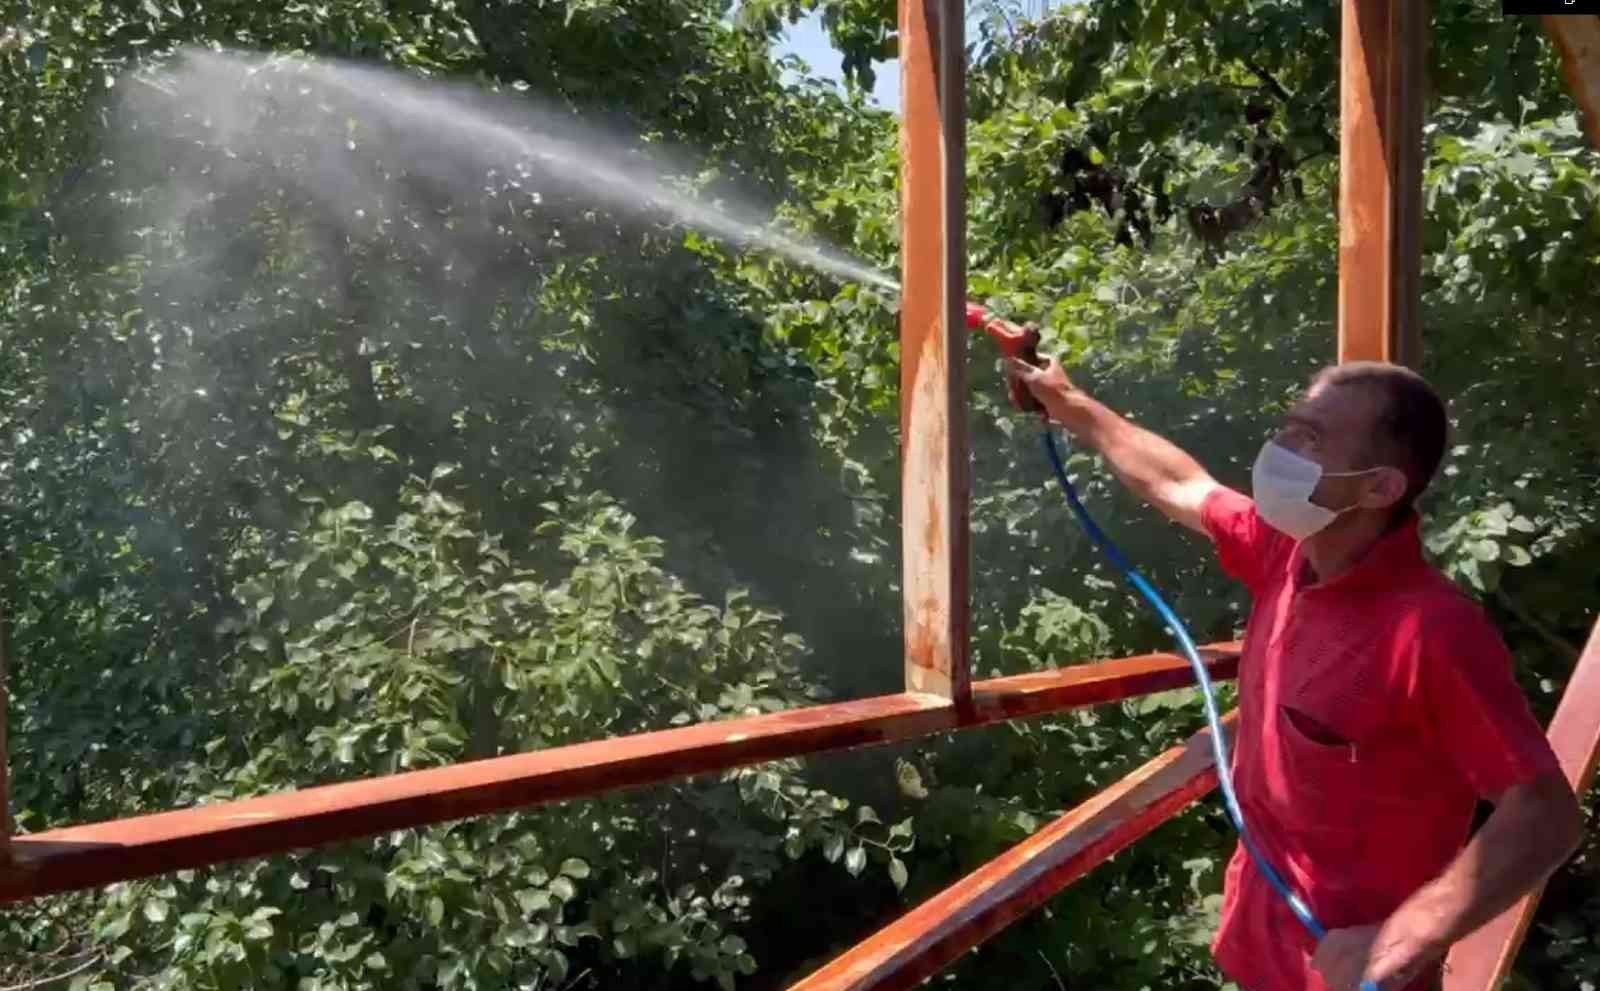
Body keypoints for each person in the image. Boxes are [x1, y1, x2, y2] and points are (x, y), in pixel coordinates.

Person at [1006, 354, 1583, 991]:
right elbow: (1180, 485)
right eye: (1287, 426)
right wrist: (1066, 402)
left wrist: (1403, 937)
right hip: (1261, 948)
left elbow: (1545, 814)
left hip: (1352, 976)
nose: (1280, 446)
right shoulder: (1286, 552)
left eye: (1311, 438)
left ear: (1380, 488)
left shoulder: (1431, 632)